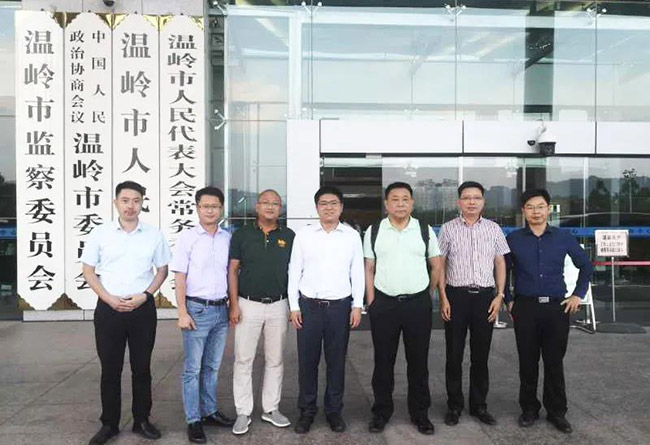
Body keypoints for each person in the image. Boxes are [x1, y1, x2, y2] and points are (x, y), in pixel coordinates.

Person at [82, 181, 170, 445]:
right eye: (125, 200)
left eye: (136, 200)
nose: (131, 206)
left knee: (142, 368)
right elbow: (88, 271)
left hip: (142, 309)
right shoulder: (100, 233)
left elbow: (162, 270)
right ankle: (109, 424)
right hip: (109, 309)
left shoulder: (153, 234)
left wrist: (146, 295)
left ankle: (141, 420)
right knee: (110, 369)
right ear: (115, 203)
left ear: (142, 203)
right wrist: (108, 298)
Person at [506, 189, 593, 434]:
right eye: (530, 207)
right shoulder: (514, 239)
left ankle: (557, 412)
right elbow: (501, 271)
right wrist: (508, 300)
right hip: (525, 307)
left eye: (540, 206)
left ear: (548, 209)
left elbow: (586, 266)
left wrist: (577, 294)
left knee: (554, 362)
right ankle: (529, 409)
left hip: (556, 308)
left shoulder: (563, 237)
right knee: (527, 361)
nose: (536, 211)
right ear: (523, 211)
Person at [364, 182, 442, 435]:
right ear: (386, 204)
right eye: (395, 199)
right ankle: (381, 412)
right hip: (384, 304)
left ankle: (420, 413)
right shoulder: (375, 230)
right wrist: (372, 300)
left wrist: (427, 295)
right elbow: (369, 268)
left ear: (412, 203)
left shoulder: (424, 230)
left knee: (418, 362)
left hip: (417, 304)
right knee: (383, 361)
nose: (400, 204)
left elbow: (436, 265)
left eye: (405, 199)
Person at [287, 185, 364, 434]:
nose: (328, 207)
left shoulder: (351, 236)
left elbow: (357, 272)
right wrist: (294, 306)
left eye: (333, 203)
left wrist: (357, 305)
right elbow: (294, 270)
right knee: (307, 362)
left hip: (339, 308)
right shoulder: (304, 235)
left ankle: (334, 411)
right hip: (309, 307)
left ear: (341, 207)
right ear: (316, 207)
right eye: (323, 203)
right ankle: (306, 411)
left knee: (336, 362)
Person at [438, 181, 510, 427]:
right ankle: (454, 406)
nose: (471, 202)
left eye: (476, 198)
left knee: (481, 355)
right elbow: (441, 264)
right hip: (455, 297)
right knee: (454, 355)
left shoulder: (493, 229)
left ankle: (479, 405)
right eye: (466, 197)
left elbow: (500, 263)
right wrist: (443, 296)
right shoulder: (448, 229)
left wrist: (500, 295)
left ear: (483, 202)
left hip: (484, 298)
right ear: (459, 202)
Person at [170, 186, 235, 444]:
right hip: (196, 309)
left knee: (212, 366)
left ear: (222, 209)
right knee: (192, 369)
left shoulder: (227, 237)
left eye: (215, 206)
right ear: (197, 208)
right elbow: (179, 277)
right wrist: (182, 312)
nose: (210, 211)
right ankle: (193, 419)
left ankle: (209, 411)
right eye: (206, 206)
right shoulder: (188, 238)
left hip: (221, 310)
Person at [228, 189, 295, 435]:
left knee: (275, 359)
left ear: (280, 209)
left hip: (279, 305)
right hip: (248, 304)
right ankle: (243, 411)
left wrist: (293, 306)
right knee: (243, 359)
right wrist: (234, 304)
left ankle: (271, 408)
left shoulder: (289, 236)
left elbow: (295, 272)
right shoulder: (242, 234)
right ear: (257, 207)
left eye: (275, 203)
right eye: (265, 202)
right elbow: (232, 270)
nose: (270, 207)